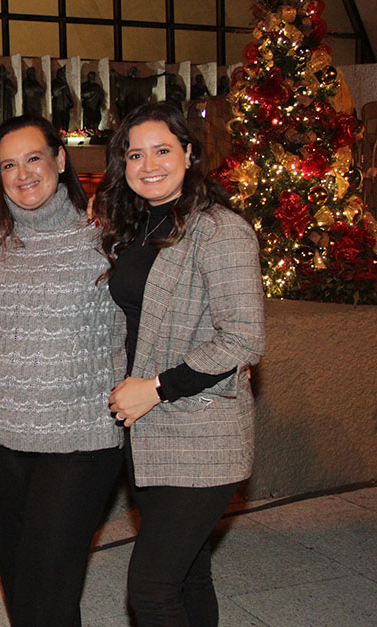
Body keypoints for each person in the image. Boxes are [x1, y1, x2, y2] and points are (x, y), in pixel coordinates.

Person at [94, 102, 265, 627]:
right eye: (134, 154)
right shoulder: (137, 228)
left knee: (150, 590)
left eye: (162, 150)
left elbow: (242, 338)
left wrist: (157, 388)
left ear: (189, 154)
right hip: (149, 438)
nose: (148, 164)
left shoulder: (219, 230)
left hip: (201, 434)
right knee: (188, 575)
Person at [0, 115, 123, 626]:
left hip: (82, 437)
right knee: (21, 578)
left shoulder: (106, 233)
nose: (23, 173)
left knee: (50, 572)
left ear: (60, 160)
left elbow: (158, 306)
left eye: (34, 158)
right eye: (8, 164)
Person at [51, 67, 75, 131]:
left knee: (66, 123)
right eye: (60, 74)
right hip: (58, 106)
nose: (61, 75)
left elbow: (68, 93)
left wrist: (71, 101)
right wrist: (62, 86)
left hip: (65, 106)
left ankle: (65, 133)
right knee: (58, 123)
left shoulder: (65, 83)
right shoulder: (55, 82)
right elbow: (54, 92)